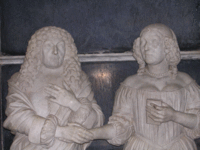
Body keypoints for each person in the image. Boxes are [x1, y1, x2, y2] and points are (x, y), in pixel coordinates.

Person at [89, 23, 200, 150]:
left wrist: (174, 115)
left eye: (154, 42)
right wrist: (92, 133)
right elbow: (120, 127)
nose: (146, 48)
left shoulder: (186, 82)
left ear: (167, 47)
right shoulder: (130, 85)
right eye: (143, 43)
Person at [3, 26, 104, 150]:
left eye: (60, 46)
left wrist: (72, 103)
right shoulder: (22, 79)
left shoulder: (78, 79)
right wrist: (61, 132)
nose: (55, 51)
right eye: (48, 46)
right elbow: (15, 116)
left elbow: (95, 121)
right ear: (38, 50)